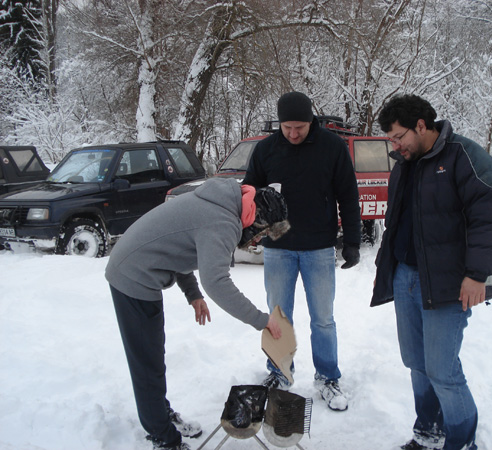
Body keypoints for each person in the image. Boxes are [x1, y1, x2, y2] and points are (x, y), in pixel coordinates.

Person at [105, 177, 289, 450]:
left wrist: (192, 294)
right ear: (256, 219)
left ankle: (159, 415)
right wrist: (262, 320)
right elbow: (217, 282)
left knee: (152, 355)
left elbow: (177, 246)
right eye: (261, 233)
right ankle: (162, 437)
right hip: (133, 276)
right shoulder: (223, 222)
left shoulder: (222, 205)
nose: (258, 240)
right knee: (147, 362)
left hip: (140, 268)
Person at [371, 95, 492, 450]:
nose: (394, 144)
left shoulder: (465, 157)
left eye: (399, 136)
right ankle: (429, 431)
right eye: (391, 139)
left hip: (449, 283)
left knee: (442, 370)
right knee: (416, 363)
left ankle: (461, 442)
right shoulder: (404, 163)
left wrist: (478, 275)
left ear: (421, 125)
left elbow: (488, 217)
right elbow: (397, 220)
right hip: (406, 276)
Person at [242, 91, 361, 412]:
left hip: (319, 247)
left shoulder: (332, 148)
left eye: (300, 127)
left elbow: (349, 196)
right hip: (278, 248)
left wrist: (352, 240)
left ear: (312, 121)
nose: (293, 133)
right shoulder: (265, 150)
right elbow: (248, 192)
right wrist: (247, 229)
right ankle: (279, 372)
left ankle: (327, 377)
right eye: (287, 127)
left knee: (323, 319)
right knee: (279, 316)